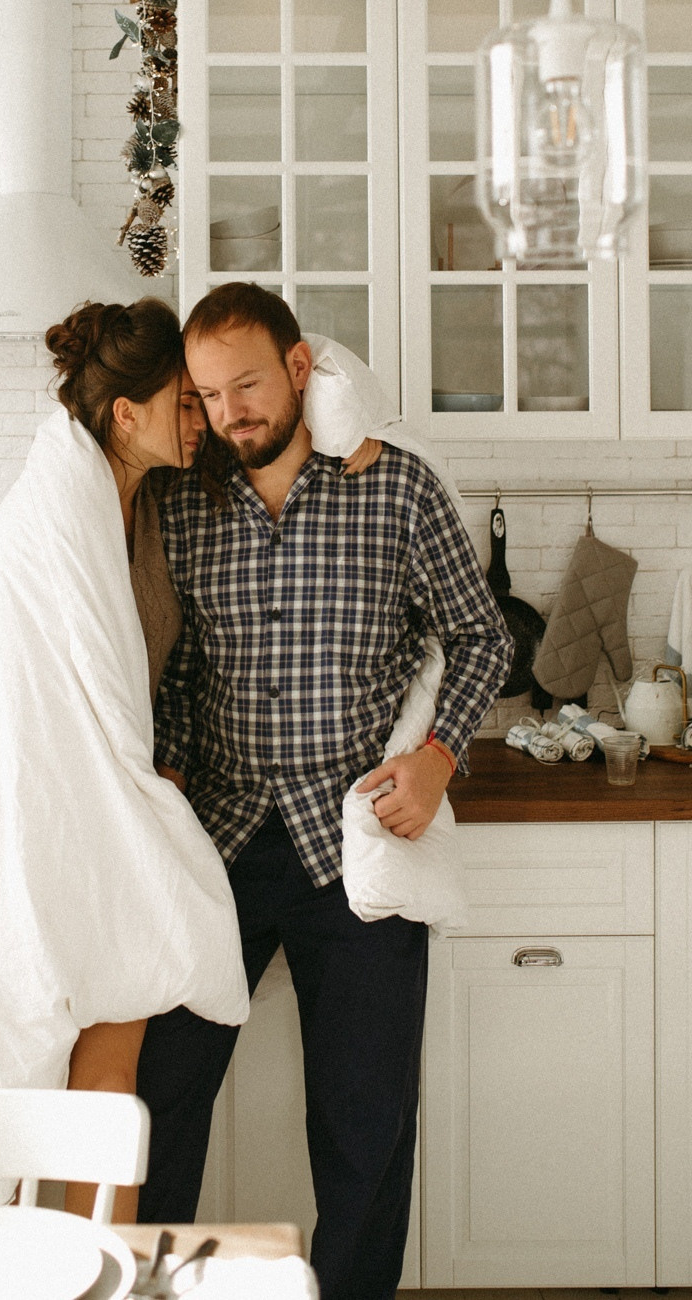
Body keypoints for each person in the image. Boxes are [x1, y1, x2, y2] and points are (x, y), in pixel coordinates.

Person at [136, 283, 514, 1300]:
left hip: (352, 846)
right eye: (208, 395)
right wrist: (165, 759)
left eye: (248, 384)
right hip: (208, 845)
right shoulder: (179, 499)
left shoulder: (398, 490)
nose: (230, 415)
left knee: (364, 1127)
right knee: (157, 1102)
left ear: (300, 367)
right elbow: (171, 666)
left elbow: (483, 636)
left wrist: (437, 759)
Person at [0, 297, 250, 1221]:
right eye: (185, 402)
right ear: (125, 413)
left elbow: (318, 384)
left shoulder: (143, 489)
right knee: (36, 1044)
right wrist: (138, 792)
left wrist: (368, 444)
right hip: (28, 801)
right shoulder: (57, 505)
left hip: (92, 803)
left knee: (112, 1044)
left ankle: (83, 1268)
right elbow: (62, 685)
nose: (203, 419)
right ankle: (23, 1261)